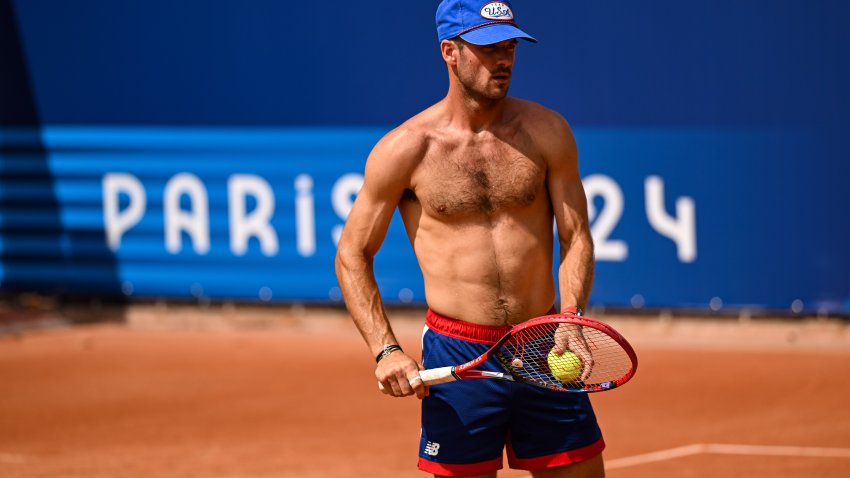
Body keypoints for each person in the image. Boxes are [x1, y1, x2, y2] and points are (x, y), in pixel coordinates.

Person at [335, 1, 604, 476]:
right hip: (457, 353)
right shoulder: (406, 149)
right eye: (486, 47)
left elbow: (576, 235)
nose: (503, 59)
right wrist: (386, 349)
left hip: (546, 344)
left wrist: (572, 318)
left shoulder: (547, 131)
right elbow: (352, 254)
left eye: (509, 46)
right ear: (450, 52)